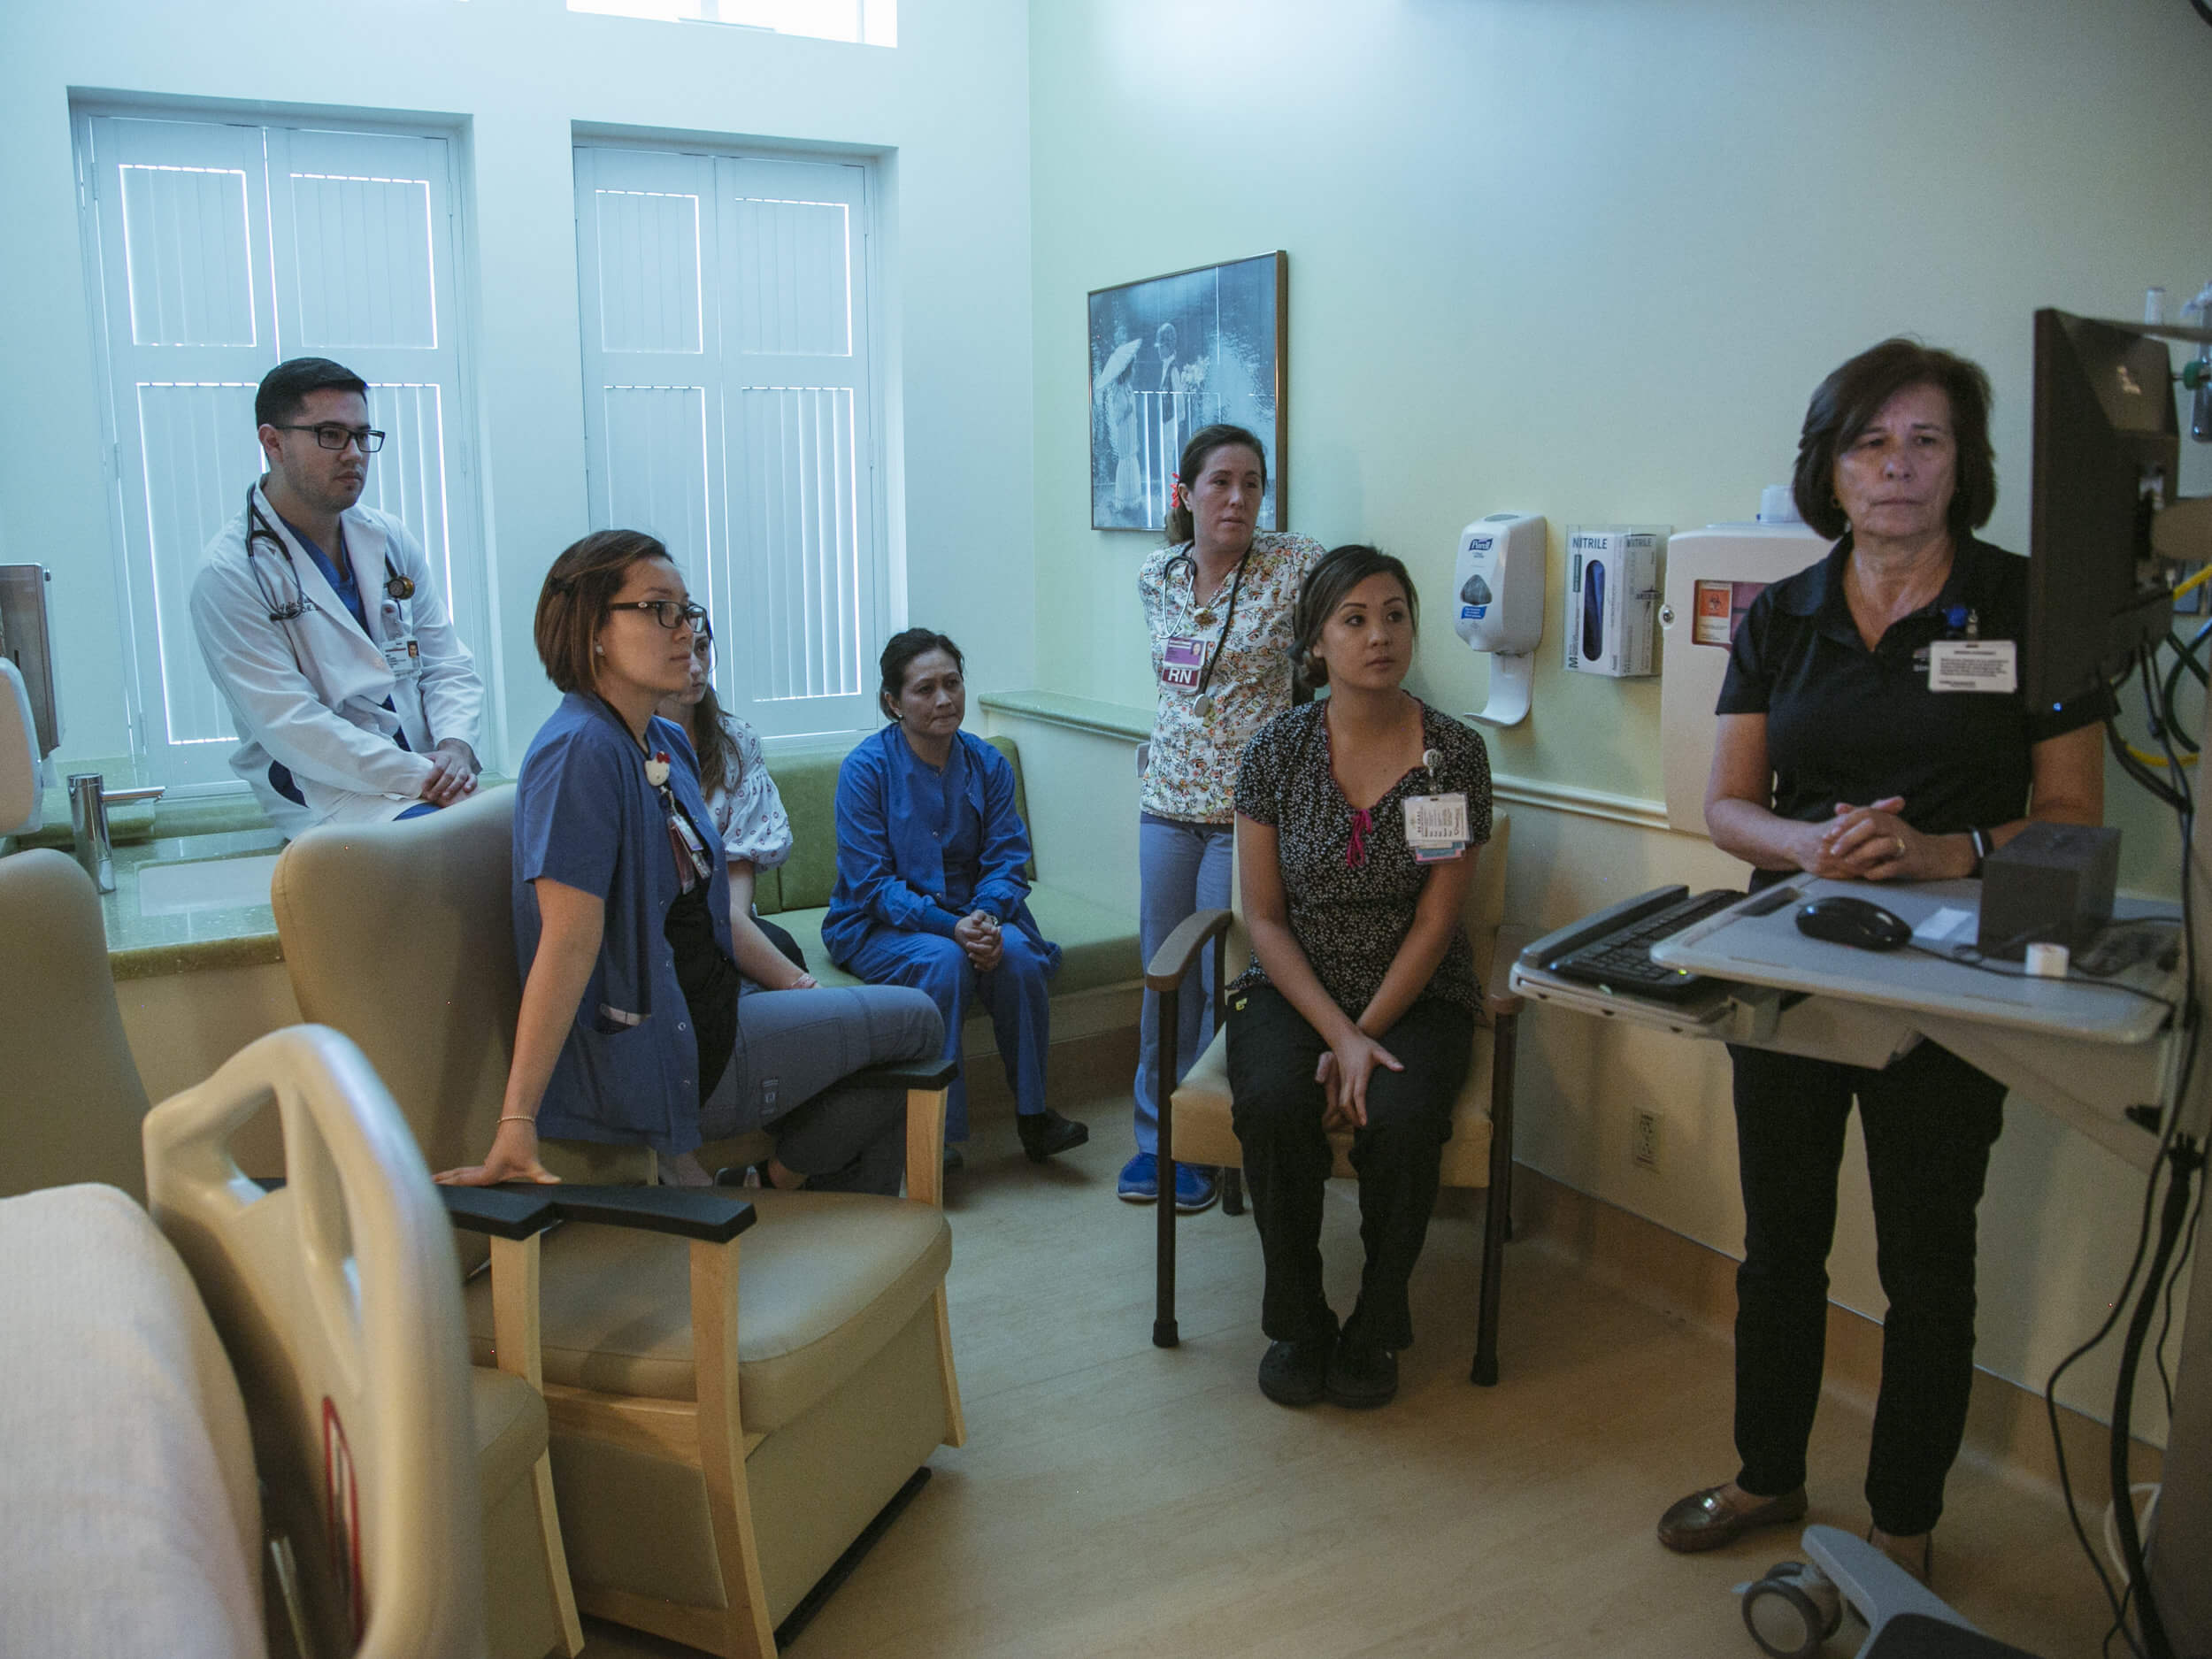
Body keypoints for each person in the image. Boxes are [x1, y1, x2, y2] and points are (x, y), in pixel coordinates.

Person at [1656, 340, 2107, 1580]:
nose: (1898, 466)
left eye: (1927, 441)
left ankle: (1903, 1519)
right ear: (1830, 468)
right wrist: (1814, 843)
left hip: (1957, 973)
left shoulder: (2029, 606)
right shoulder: (1783, 614)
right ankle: (1767, 1473)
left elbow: (2071, 807)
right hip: (1797, 951)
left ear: (1966, 465)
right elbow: (1730, 803)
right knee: (1780, 1240)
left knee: (1926, 1257)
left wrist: (1939, 845)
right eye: (1870, 442)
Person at [436, 531, 941, 1196]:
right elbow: (564, 942)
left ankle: (800, 1207)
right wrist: (517, 1117)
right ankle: (786, 1191)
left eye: (689, 610)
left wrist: (789, 985)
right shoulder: (579, 752)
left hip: (714, 1006)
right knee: (920, 1021)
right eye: (659, 609)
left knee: (879, 1042)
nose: (686, 631)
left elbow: (700, 911)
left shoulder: (659, 738)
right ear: (592, 630)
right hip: (678, 1056)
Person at [1226, 545, 1492, 1411]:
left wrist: (1367, 1032)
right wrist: (1338, 1037)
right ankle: (1298, 1320)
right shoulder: (1273, 752)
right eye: (1354, 619)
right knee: (1271, 1103)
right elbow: (1262, 916)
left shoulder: (1452, 757)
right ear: (1315, 643)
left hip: (1414, 994)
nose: (1379, 635)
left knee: (1406, 1118)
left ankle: (1377, 1322)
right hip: (1297, 989)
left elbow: (1435, 919)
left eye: (1394, 615)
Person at [1127, 424, 1325, 1212]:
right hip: (1166, 800)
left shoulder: (1294, 563)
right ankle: (1156, 1137)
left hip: (1247, 810)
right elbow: (1181, 689)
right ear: (1187, 493)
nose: (1238, 498)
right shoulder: (1158, 573)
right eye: (1220, 482)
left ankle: (1212, 1139)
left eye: (1252, 482)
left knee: (1219, 977)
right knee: (1161, 972)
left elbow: (1317, 654)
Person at [823, 630, 1087, 1169]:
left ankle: (1034, 1117)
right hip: (880, 923)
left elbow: (1008, 859)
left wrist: (986, 918)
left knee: (1014, 957)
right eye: (925, 689)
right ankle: (934, 1134)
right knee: (945, 963)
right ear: (893, 703)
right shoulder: (865, 769)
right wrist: (953, 928)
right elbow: (870, 884)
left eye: (953, 683)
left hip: (975, 913)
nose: (944, 700)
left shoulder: (988, 764)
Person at [191, 357, 483, 837]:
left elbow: (446, 663)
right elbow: (292, 725)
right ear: (273, 442)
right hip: (329, 795)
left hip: (434, 778)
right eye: (331, 434)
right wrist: (424, 774)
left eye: (362, 435)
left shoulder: (388, 538)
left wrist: (455, 747)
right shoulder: (229, 574)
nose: (353, 453)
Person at [657, 630, 816, 991]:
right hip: (663, 921)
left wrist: (732, 937)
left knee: (781, 948)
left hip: (727, 913)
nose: (696, 668)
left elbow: (740, 857)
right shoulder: (629, 745)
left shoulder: (735, 740)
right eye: (680, 654)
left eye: (701, 649)